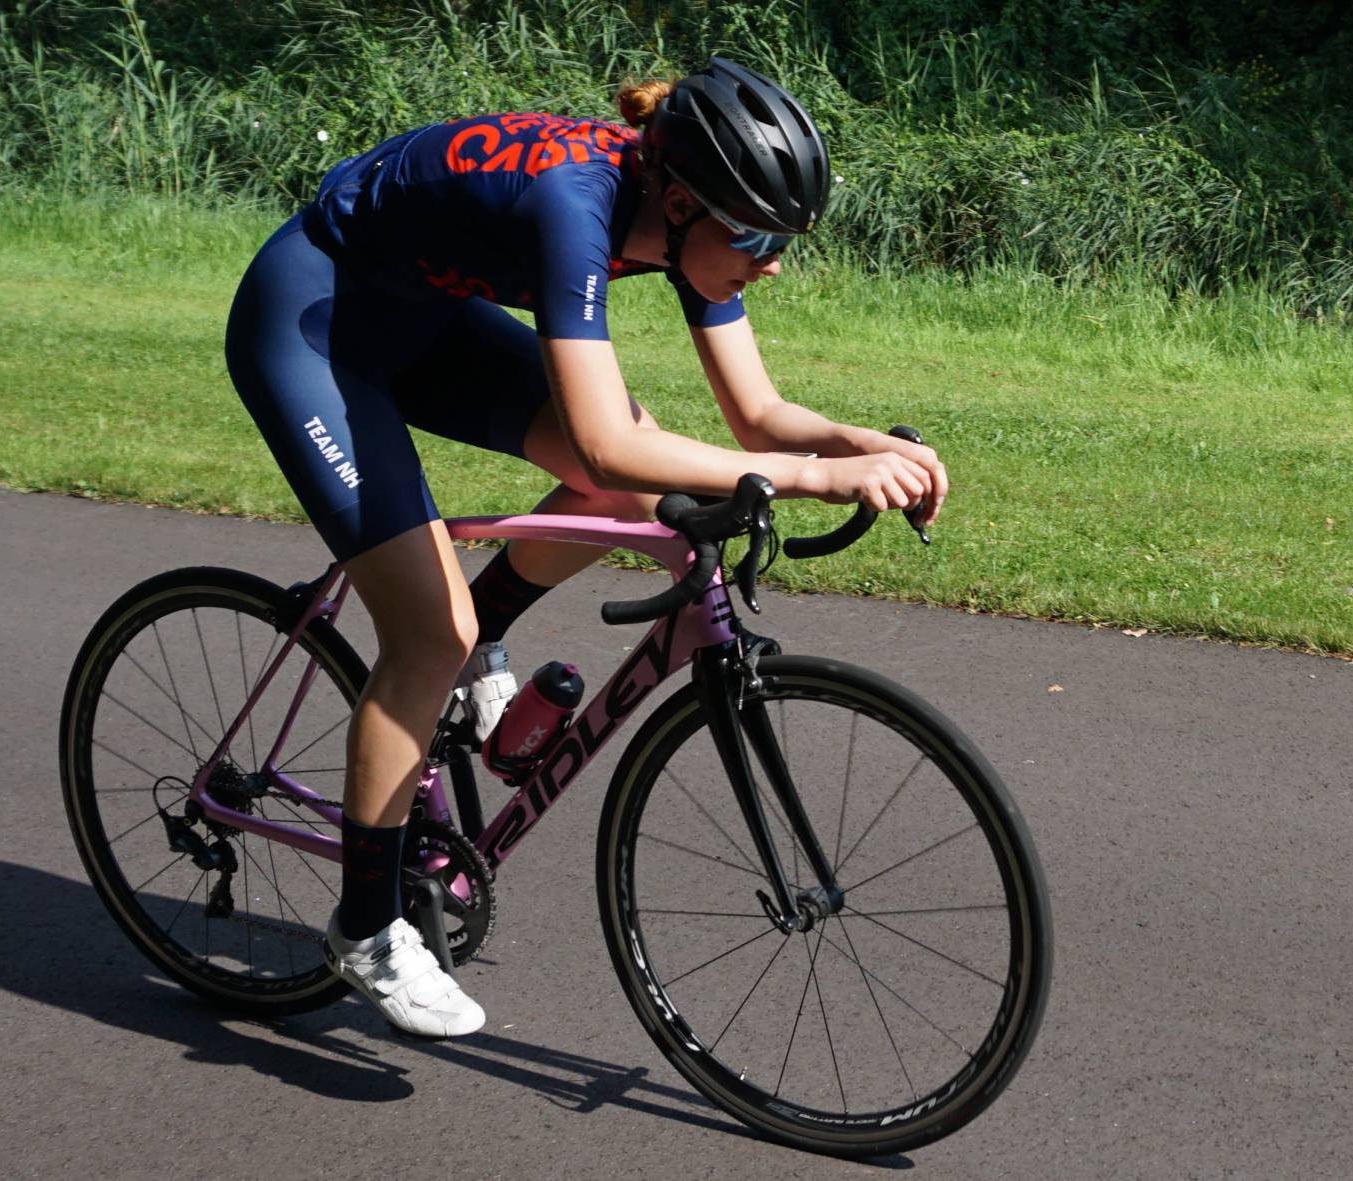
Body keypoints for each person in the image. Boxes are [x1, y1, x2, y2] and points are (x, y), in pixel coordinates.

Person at [224, 58, 947, 1038]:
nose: (767, 261)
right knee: (427, 627)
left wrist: (864, 444)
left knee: (643, 488)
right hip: (309, 326)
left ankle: (487, 640)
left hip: (421, 319)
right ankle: (366, 925)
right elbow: (605, 435)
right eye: (751, 235)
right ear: (683, 201)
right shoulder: (575, 204)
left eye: (778, 239)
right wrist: (817, 477)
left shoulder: (689, 222)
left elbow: (757, 410)